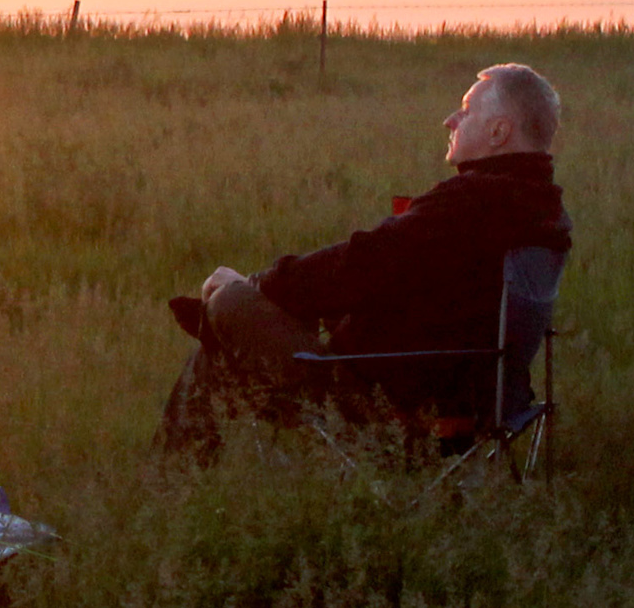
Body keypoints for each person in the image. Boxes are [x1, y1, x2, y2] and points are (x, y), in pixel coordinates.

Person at [159, 63, 573, 455]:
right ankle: (177, 468)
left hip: (399, 407)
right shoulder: (540, 210)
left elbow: (358, 264)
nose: (450, 120)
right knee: (226, 354)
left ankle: (170, 478)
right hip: (480, 401)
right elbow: (405, 285)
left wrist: (255, 286)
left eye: (465, 111)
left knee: (227, 302)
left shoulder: (472, 205)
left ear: (499, 131)